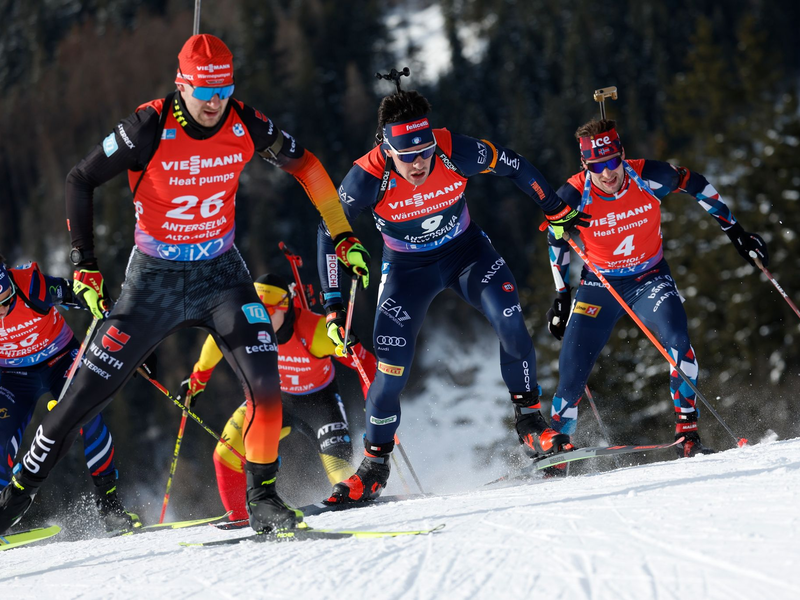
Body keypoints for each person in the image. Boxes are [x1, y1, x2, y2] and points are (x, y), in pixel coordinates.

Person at [0, 34, 369, 535]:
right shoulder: (147, 125)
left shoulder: (245, 120)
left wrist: (342, 233)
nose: (215, 101)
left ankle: (264, 499)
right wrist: (84, 263)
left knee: (265, 385)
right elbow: (79, 179)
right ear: (182, 84)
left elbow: (306, 165)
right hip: (154, 281)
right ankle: (11, 503)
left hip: (221, 274)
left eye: (224, 88)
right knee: (77, 403)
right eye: (204, 90)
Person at [317, 83, 589, 504]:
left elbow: (512, 164)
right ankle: (373, 466)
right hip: (407, 271)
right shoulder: (367, 175)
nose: (419, 162)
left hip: (466, 253)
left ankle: (532, 424)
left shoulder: (451, 149)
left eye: (424, 151)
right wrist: (333, 306)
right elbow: (326, 227)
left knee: (510, 322)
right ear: (387, 149)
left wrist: (552, 205)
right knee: (391, 371)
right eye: (407, 156)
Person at [545, 118, 769, 458]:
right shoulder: (573, 195)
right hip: (599, 285)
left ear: (622, 155)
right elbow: (555, 238)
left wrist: (736, 232)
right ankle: (558, 453)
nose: (607, 174)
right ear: (584, 165)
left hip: (649, 278)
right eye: (597, 166)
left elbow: (697, 184)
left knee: (678, 342)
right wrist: (561, 295)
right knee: (571, 369)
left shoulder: (647, 175)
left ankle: (688, 433)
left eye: (613, 162)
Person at [182, 273, 377, 520]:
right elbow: (215, 342)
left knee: (339, 472)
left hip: (319, 403)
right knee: (225, 454)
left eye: (267, 313)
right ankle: (241, 518)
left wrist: (374, 403)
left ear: (285, 307)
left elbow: (365, 361)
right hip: (273, 400)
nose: (258, 321)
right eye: (255, 313)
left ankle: (360, 509)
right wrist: (198, 379)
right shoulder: (246, 324)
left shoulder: (315, 331)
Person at [0, 259, 138, 530]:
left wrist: (97, 303)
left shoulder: (30, 285)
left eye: (6, 299)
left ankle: (109, 505)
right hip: (12, 376)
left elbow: (76, 292)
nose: (3, 309)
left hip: (61, 361)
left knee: (89, 417)